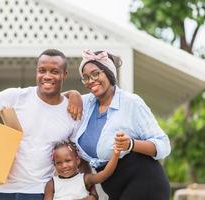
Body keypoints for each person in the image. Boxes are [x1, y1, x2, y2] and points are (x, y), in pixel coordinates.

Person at [0, 49, 97, 200]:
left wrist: (92, 193)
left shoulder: (72, 112)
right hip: (2, 189)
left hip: (39, 192)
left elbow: (80, 158)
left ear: (65, 75)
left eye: (54, 71)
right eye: (42, 70)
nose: (47, 76)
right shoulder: (16, 97)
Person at [72, 49, 171, 200]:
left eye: (95, 73)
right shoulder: (85, 103)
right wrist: (73, 94)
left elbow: (163, 145)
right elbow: (57, 100)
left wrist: (131, 144)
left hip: (145, 182)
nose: (90, 80)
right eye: (85, 77)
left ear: (109, 73)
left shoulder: (131, 102)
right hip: (114, 189)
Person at [44, 141, 120, 200]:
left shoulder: (85, 179)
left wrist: (115, 155)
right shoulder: (51, 184)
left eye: (68, 161)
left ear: (77, 160)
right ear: (54, 165)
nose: (64, 166)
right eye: (58, 163)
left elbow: (104, 175)